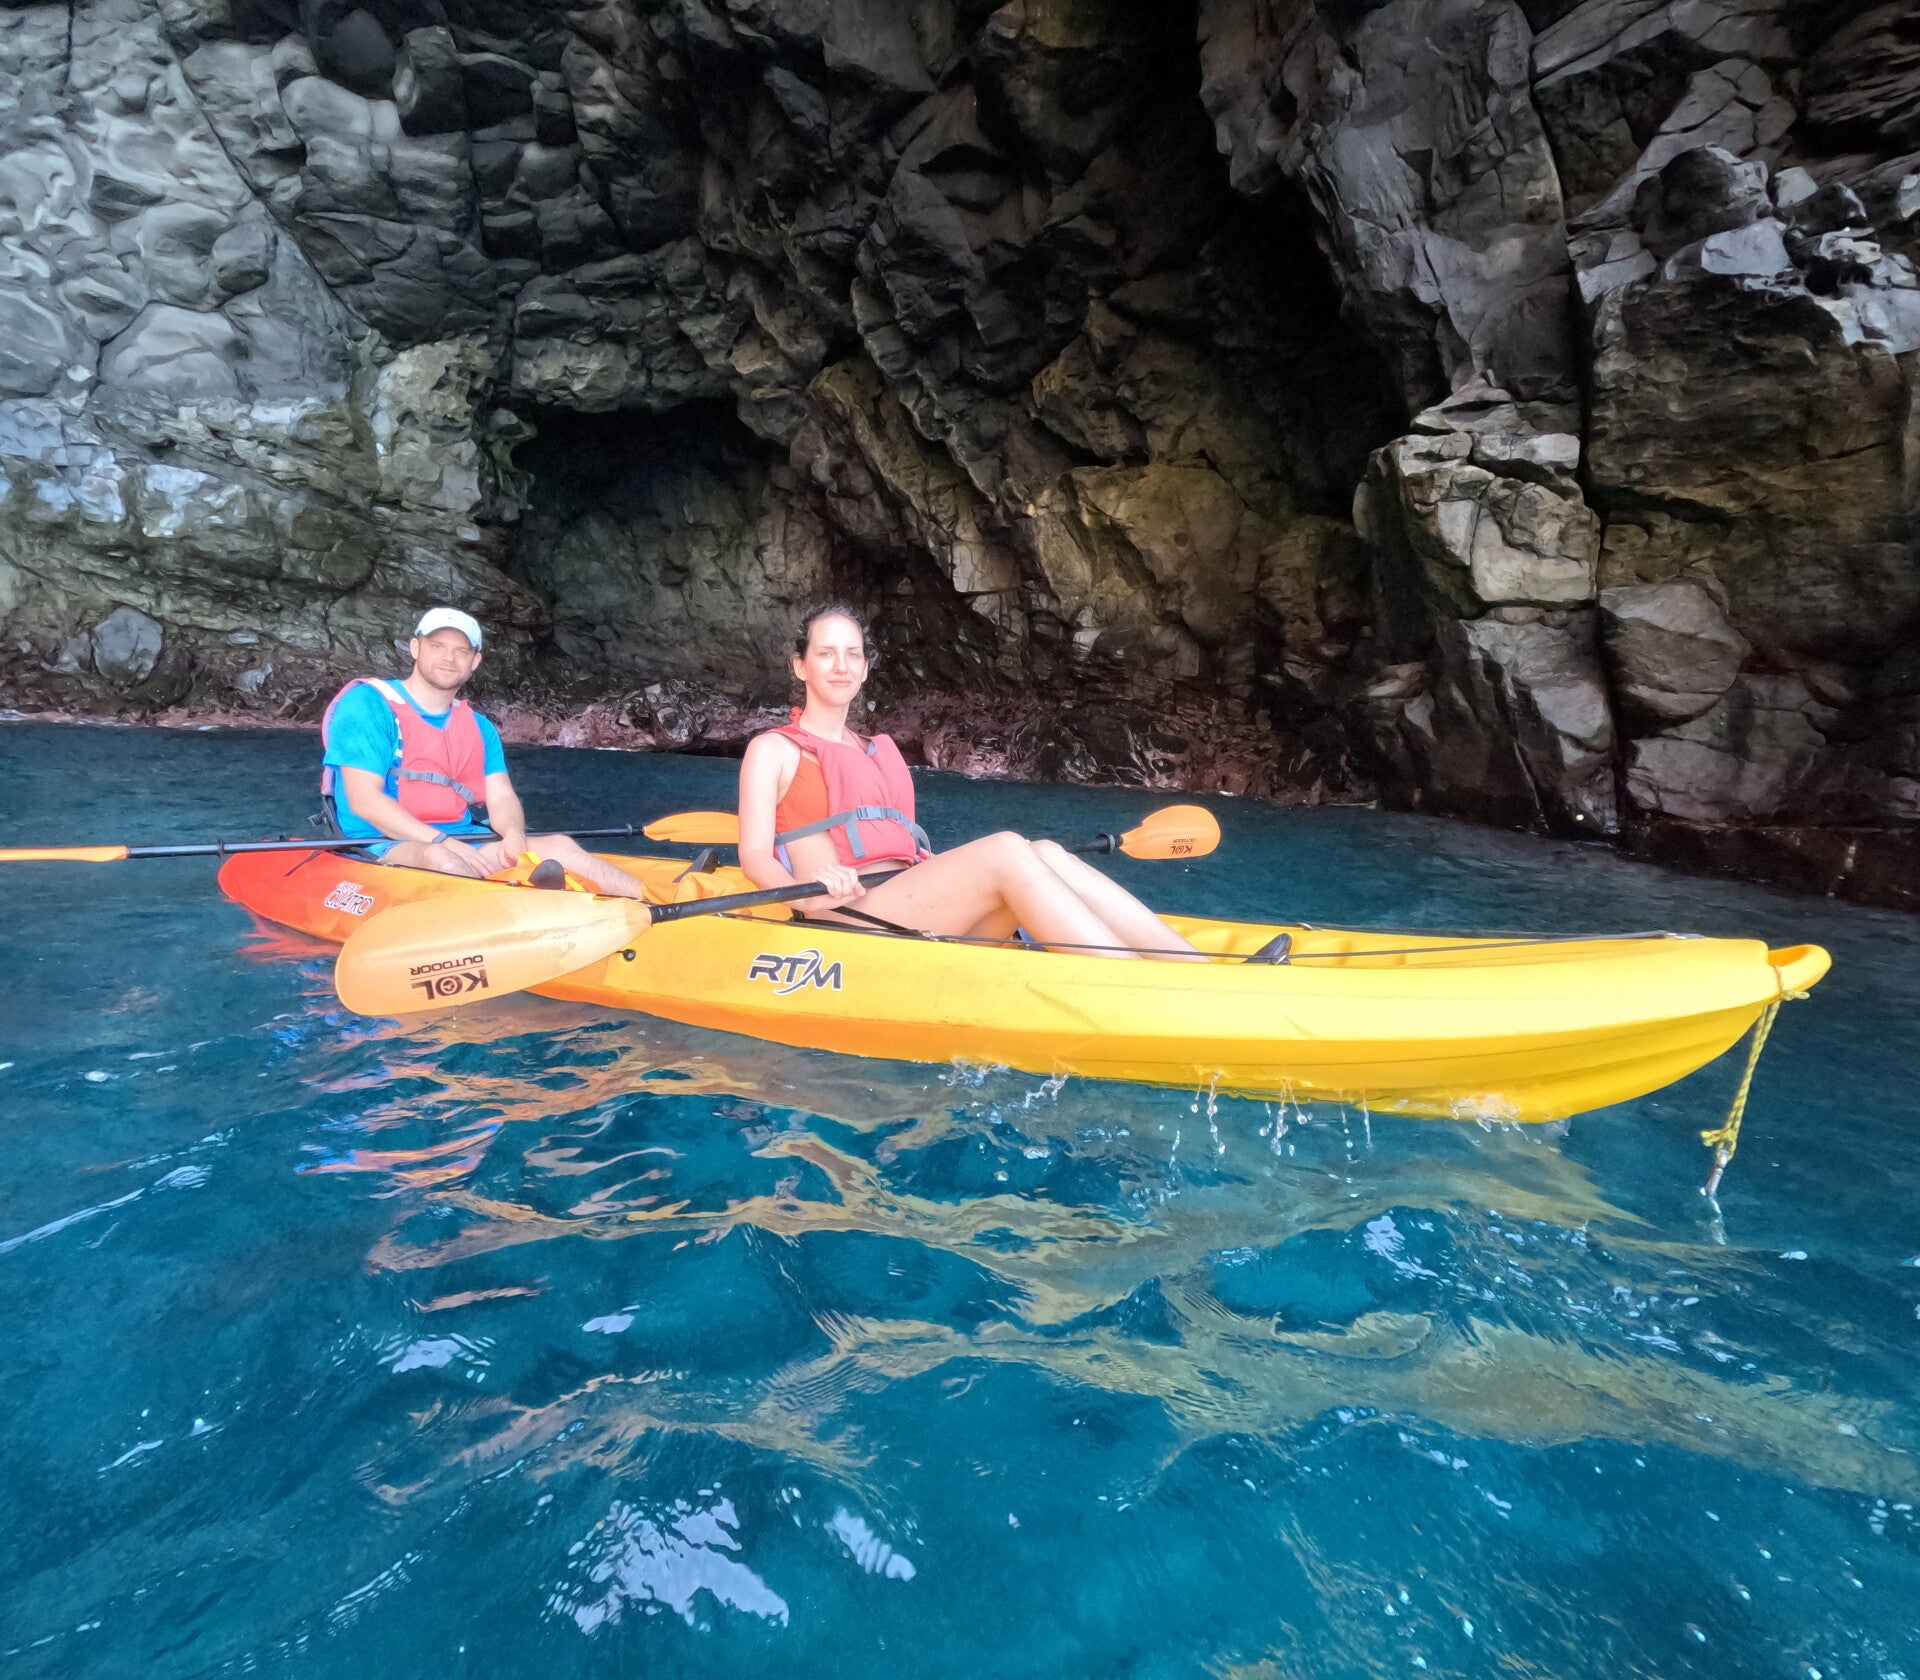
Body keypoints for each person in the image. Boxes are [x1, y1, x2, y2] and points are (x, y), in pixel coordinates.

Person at [736, 605, 1205, 960]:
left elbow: (897, 847)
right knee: (1005, 848)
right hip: (845, 920)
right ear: (800, 665)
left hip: (909, 907)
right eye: (826, 654)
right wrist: (806, 892)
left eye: (852, 654)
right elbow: (755, 855)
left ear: (864, 667)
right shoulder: (774, 750)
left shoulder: (875, 750)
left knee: (1045, 852)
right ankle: (1132, 986)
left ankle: (1193, 966)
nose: (841, 666)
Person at [320, 608, 646, 899]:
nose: (449, 658)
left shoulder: (479, 727)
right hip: (381, 841)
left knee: (559, 845)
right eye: (437, 646)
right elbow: (365, 800)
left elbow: (501, 798)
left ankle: (660, 906)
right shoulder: (368, 705)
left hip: (462, 837)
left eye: (461, 651)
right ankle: (521, 916)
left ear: (474, 662)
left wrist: (514, 835)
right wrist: (439, 841)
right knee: (441, 860)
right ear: (415, 647)